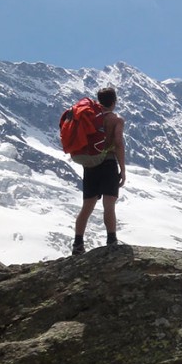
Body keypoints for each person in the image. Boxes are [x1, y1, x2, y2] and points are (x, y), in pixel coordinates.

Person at [72, 86, 126, 254]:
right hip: (108, 162)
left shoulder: (89, 117)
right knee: (109, 204)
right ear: (114, 102)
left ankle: (78, 244)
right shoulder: (116, 119)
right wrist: (122, 169)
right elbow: (118, 143)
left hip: (90, 164)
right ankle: (111, 240)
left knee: (87, 205)